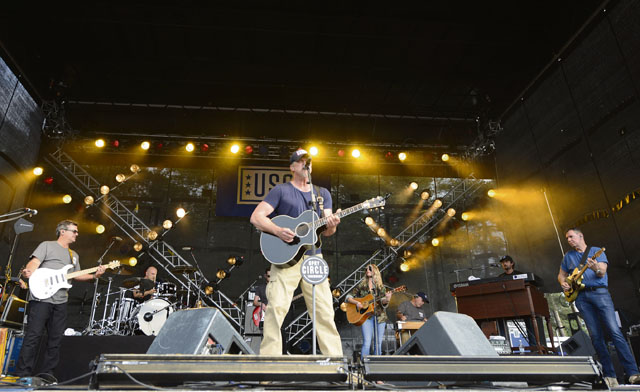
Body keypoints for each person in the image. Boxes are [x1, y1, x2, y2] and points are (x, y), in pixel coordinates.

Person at [250, 148, 343, 356]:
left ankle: (336, 364)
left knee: (324, 311)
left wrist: (333, 224)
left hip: (313, 258)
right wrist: (277, 230)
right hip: (287, 259)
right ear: (292, 167)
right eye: (301, 161)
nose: (306, 164)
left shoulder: (322, 194)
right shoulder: (281, 191)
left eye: (308, 161)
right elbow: (257, 217)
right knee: (275, 310)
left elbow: (328, 231)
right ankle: (268, 365)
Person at [17, 220, 106, 381]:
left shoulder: (74, 255)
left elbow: (77, 275)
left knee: (55, 339)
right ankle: (23, 373)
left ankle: (47, 374)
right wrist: (29, 270)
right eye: (74, 231)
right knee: (33, 336)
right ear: (62, 231)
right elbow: (35, 262)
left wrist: (95, 275)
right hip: (41, 298)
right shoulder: (47, 245)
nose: (76, 234)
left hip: (60, 301)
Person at [558, 228, 640, 386]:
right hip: (581, 298)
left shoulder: (596, 251)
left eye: (571, 237)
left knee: (614, 331)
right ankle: (609, 376)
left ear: (580, 236)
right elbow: (561, 274)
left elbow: (602, 272)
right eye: (567, 238)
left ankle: (633, 373)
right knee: (595, 336)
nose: (568, 240)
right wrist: (563, 282)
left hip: (600, 294)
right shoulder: (568, 256)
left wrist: (595, 267)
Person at [345, 264, 392, 357]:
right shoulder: (362, 285)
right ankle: (364, 364)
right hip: (366, 317)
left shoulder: (381, 287)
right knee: (367, 341)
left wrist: (387, 299)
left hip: (380, 316)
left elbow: (383, 303)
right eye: (366, 269)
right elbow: (348, 297)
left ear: (375, 271)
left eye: (370, 269)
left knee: (378, 342)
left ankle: (377, 364)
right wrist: (357, 303)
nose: (367, 270)